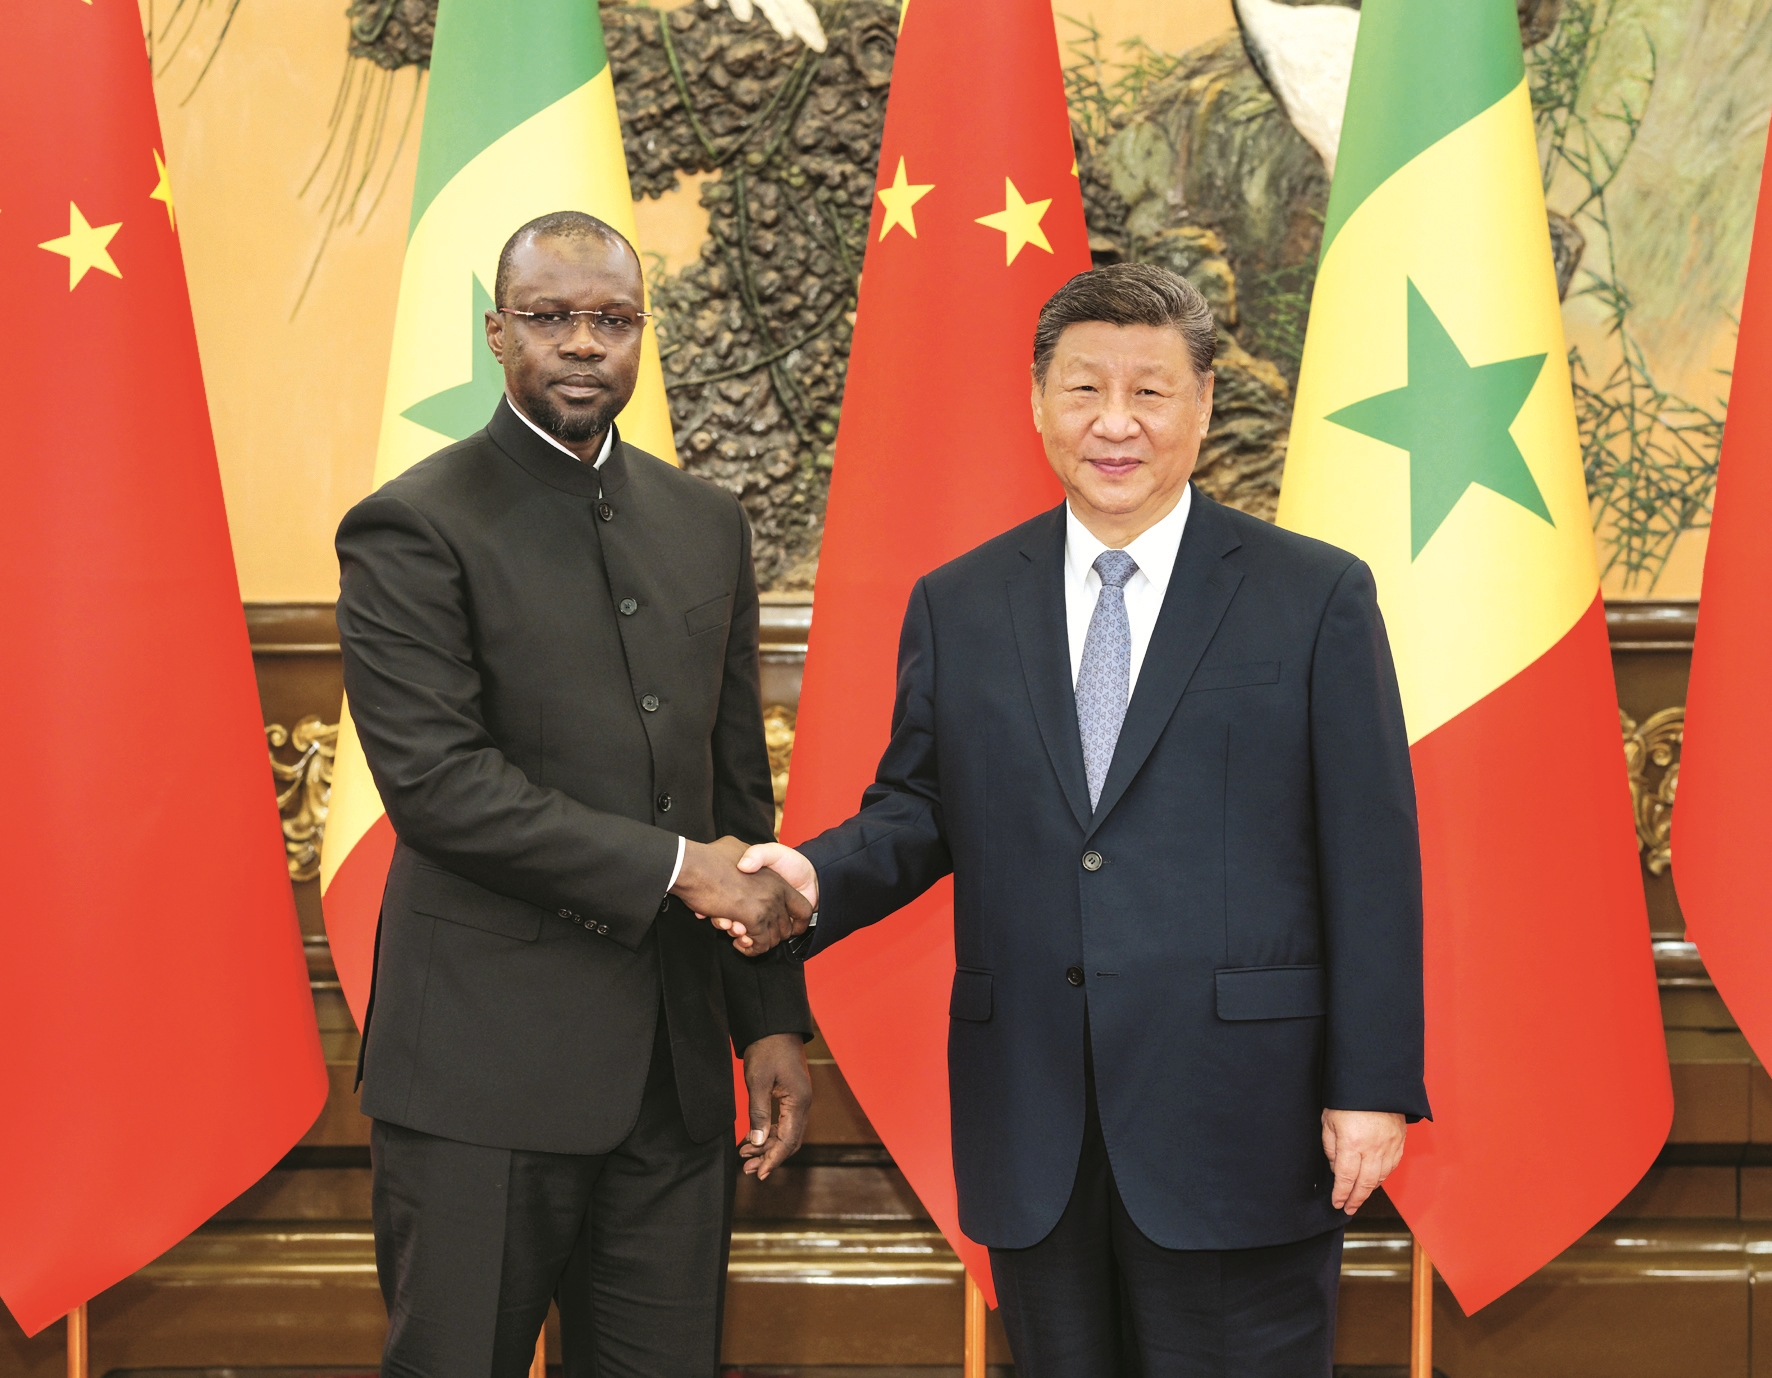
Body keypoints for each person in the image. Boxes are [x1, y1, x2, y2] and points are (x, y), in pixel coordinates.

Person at [731, 263, 1429, 1376]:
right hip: (1034, 1115)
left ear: (1203, 401)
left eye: (1149, 391)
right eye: (1084, 389)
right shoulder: (960, 602)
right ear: (1036, 401)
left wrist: (1371, 1085)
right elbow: (920, 807)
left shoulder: (1313, 596)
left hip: (1240, 1116)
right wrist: (814, 876)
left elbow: (1371, 856)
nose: (1115, 423)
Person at [335, 210, 815, 1378]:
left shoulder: (705, 522)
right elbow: (442, 789)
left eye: (612, 319)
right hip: (479, 1081)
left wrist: (767, 1020)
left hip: (674, 1084)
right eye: (551, 317)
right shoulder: (413, 523)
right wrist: (678, 869)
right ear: (497, 332)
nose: (585, 343)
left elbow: (733, 790)